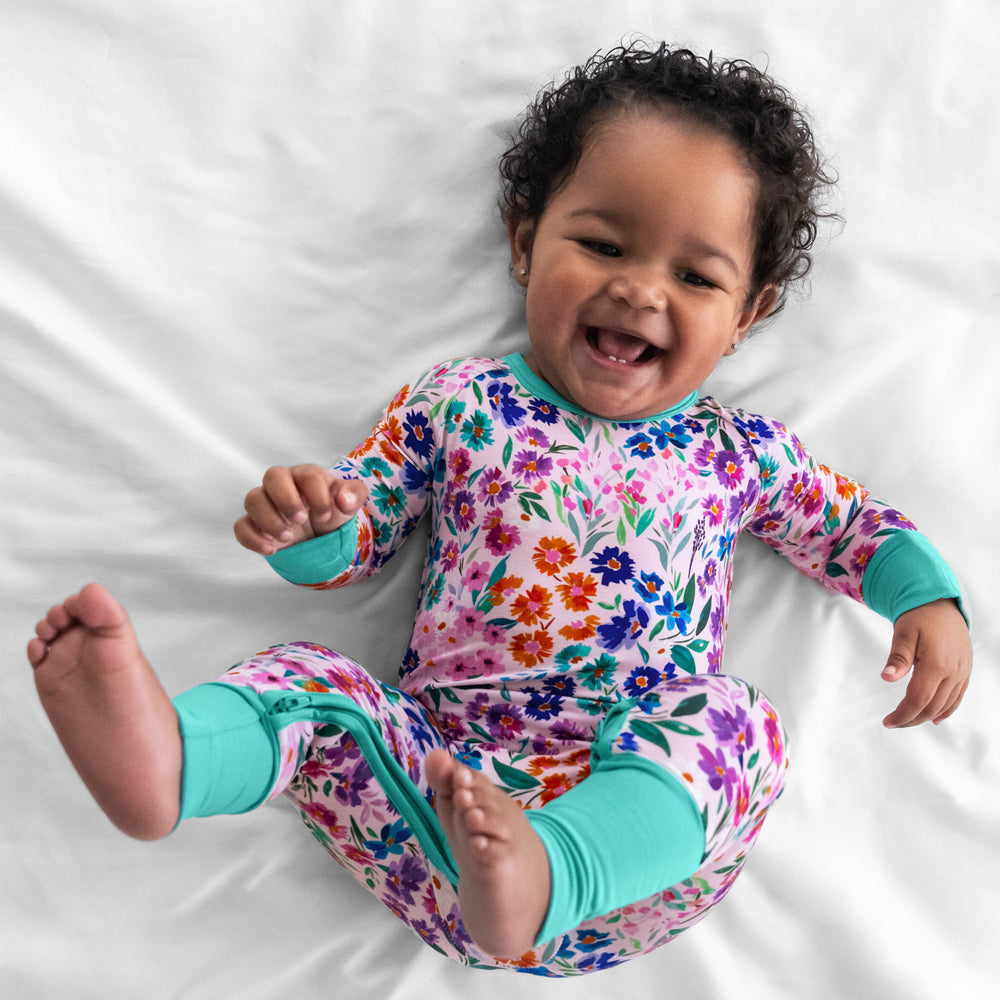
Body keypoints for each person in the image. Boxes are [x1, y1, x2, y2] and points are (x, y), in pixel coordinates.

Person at [27, 42, 972, 977]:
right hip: (435, 807)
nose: (641, 289)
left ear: (749, 315)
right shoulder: (463, 402)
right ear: (526, 245)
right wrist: (315, 532)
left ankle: (556, 864)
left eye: (696, 277)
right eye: (603, 245)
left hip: (632, 859)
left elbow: (852, 528)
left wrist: (924, 600)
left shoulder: (740, 452)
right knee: (316, 686)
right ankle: (176, 759)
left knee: (735, 724)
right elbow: (368, 522)